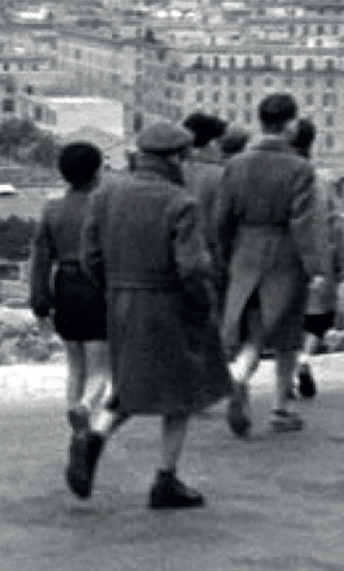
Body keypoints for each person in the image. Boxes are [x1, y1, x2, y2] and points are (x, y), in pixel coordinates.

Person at [77, 122, 230, 509]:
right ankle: (166, 479)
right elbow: (191, 267)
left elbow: (89, 257)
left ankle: (94, 436)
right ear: (177, 157)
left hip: (121, 302)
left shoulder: (106, 194)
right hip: (168, 304)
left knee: (131, 383)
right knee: (180, 393)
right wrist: (204, 303)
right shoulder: (180, 202)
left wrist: (114, 289)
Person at [214, 92, 320, 437]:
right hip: (284, 253)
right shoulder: (300, 168)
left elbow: (221, 218)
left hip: (245, 250)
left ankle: (239, 375)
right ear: (290, 125)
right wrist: (315, 266)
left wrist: (226, 254)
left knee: (253, 327)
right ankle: (279, 408)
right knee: (286, 334)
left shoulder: (236, 165)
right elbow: (304, 222)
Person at [29, 141, 111, 444]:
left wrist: (40, 303)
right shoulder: (104, 208)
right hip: (96, 289)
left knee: (75, 365)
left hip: (65, 286)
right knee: (100, 369)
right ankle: (86, 407)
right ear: (96, 171)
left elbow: (40, 260)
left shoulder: (52, 210)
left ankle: (77, 430)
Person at [290, 117, 344, 399]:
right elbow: (336, 225)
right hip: (318, 260)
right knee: (315, 320)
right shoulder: (321, 181)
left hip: (283, 259)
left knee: (286, 317)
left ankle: (287, 370)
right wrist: (342, 262)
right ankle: (304, 359)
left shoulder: (278, 177)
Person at [181, 112, 228, 276]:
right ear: (213, 142)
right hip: (208, 256)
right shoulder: (221, 174)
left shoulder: (176, 169)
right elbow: (220, 220)